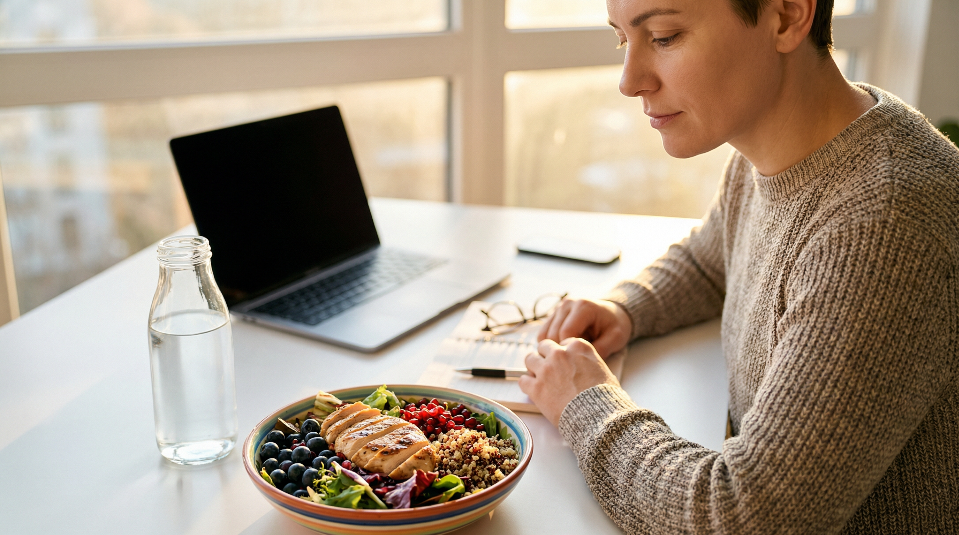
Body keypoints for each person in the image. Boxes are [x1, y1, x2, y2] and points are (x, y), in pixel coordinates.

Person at [518, 0, 959, 532]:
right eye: (622, 39)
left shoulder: (885, 222)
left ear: (787, 16)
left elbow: (744, 515)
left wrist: (586, 404)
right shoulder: (781, 146)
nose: (629, 82)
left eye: (664, 36)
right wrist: (625, 308)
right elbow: (711, 260)